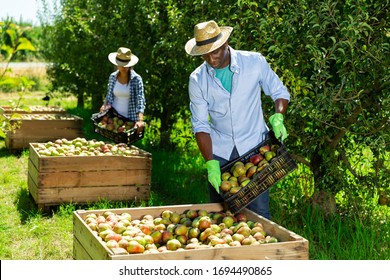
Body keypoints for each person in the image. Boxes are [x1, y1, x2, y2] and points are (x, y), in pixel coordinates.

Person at [185, 20, 290, 220]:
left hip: (254, 147)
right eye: (204, 54)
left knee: (259, 213)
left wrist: (278, 116)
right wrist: (211, 163)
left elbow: (279, 91)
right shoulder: (197, 79)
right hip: (221, 152)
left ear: (225, 44)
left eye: (214, 51)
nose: (210, 58)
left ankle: (260, 252)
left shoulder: (254, 62)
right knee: (219, 215)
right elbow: (200, 124)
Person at [100, 47, 146, 131]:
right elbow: (109, 96)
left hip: (129, 120)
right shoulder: (113, 77)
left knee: (125, 143)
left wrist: (140, 120)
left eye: (126, 64)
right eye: (120, 64)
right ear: (116, 64)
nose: (123, 67)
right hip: (113, 119)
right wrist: (104, 105)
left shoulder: (136, 79)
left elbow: (140, 99)